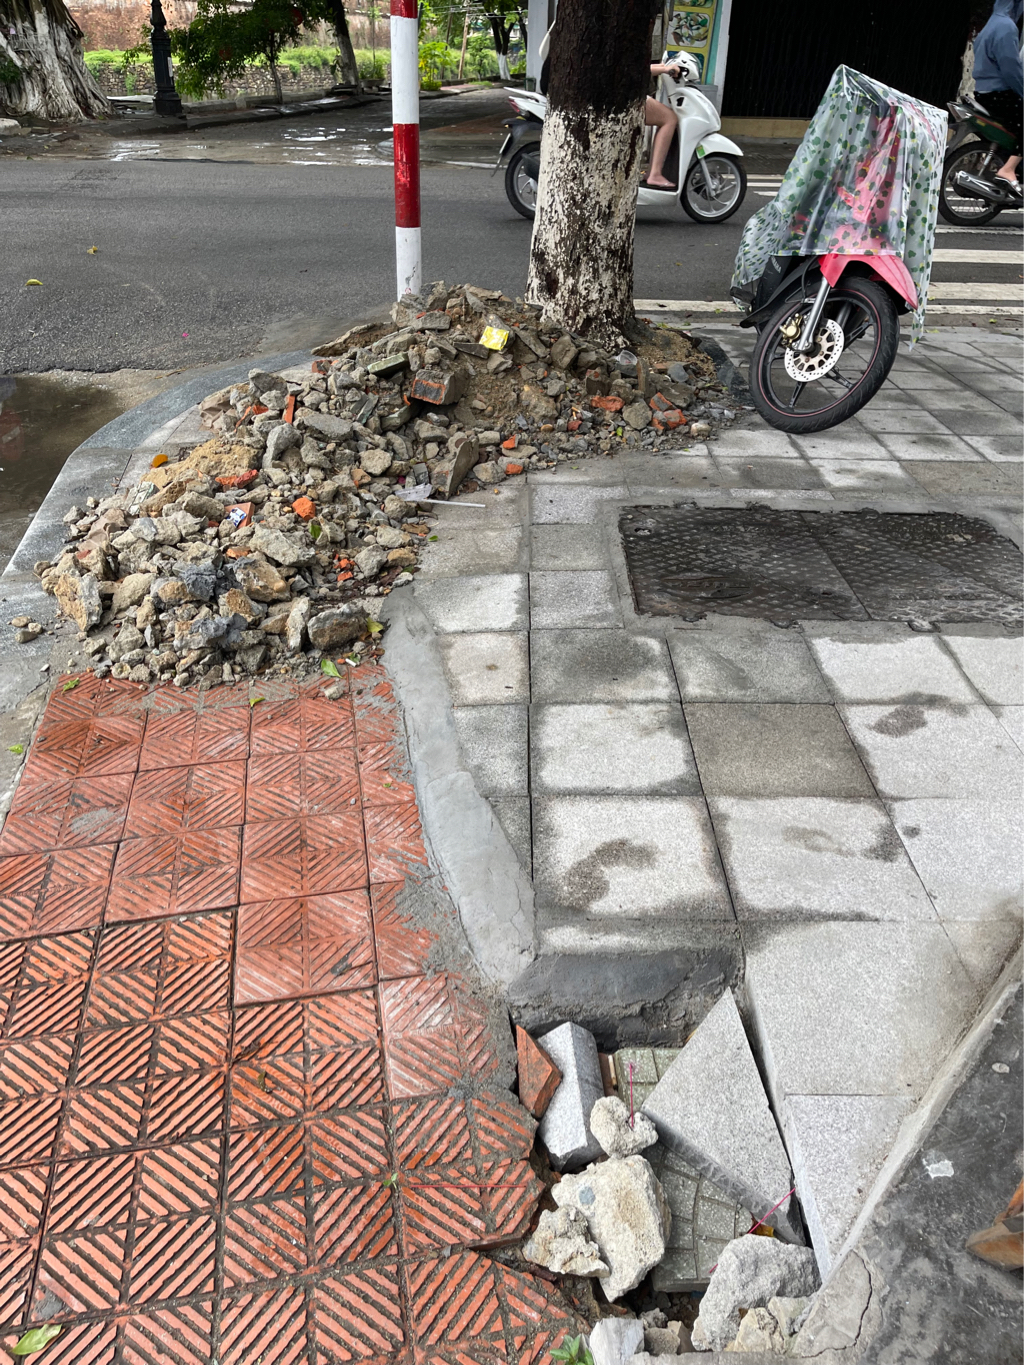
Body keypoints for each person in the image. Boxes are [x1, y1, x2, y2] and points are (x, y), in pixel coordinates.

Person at [973, 0, 1023, 187]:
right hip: (999, 93)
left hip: (984, 92)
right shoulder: (1006, 27)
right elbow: (1011, 68)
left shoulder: (991, 24)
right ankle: (1008, 169)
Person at [643, 61, 685, 187]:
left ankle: (651, 173)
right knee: (670, 118)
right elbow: (638, 70)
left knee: (665, 117)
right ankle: (655, 174)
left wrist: (663, 67)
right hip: (627, 97)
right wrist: (665, 69)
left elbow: (642, 67)